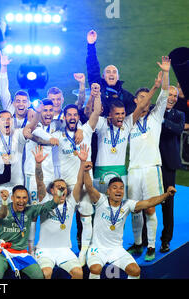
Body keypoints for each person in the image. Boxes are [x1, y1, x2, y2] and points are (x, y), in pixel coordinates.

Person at [83, 162, 177, 279]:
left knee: (135, 270)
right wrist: (86, 171)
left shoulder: (127, 204)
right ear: (108, 191)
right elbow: (89, 187)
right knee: (95, 268)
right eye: (115, 188)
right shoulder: (101, 200)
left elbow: (149, 202)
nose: (119, 191)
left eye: (121, 188)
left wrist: (166, 195)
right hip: (97, 248)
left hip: (116, 249)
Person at [48, 90, 102, 265]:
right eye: (69, 115)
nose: (72, 117)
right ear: (64, 117)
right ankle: (60, 250)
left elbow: (96, 111)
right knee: (62, 220)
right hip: (66, 186)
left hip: (85, 184)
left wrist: (97, 93)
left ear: (78, 117)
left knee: (86, 219)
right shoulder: (56, 135)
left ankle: (84, 253)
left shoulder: (85, 130)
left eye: (74, 115)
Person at [126, 56, 170, 262]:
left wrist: (166, 73)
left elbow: (164, 94)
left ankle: (151, 245)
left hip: (152, 168)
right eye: (140, 97)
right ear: (136, 101)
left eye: (147, 97)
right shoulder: (129, 121)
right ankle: (137, 244)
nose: (145, 100)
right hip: (134, 169)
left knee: (150, 207)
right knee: (135, 208)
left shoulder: (155, 118)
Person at [33, 144, 88, 279]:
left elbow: (79, 183)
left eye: (63, 188)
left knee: (78, 273)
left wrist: (82, 162)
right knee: (46, 273)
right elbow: (40, 182)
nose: (62, 189)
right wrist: (38, 165)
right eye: (58, 187)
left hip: (64, 250)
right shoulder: (45, 200)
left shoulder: (70, 203)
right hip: (44, 250)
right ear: (51, 190)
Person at [0, 184, 61, 279]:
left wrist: (59, 192)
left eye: (24, 198)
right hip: (2, 252)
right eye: (18, 197)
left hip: (21, 253)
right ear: (12, 198)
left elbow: (51, 205)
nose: (21, 201)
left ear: (28, 198)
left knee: (39, 276)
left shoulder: (30, 210)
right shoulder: (2, 210)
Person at [158, 85, 185, 253]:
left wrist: (162, 120)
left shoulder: (179, 115)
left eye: (175, 95)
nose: (172, 98)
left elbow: (178, 129)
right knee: (148, 202)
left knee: (168, 204)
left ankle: (166, 240)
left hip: (168, 166)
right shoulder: (154, 110)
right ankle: (146, 239)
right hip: (151, 164)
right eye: (169, 94)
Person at [86, 29, 136, 116]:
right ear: (103, 76)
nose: (111, 74)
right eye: (108, 72)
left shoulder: (126, 96)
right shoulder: (97, 87)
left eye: (114, 72)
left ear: (118, 77)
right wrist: (91, 45)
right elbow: (93, 68)